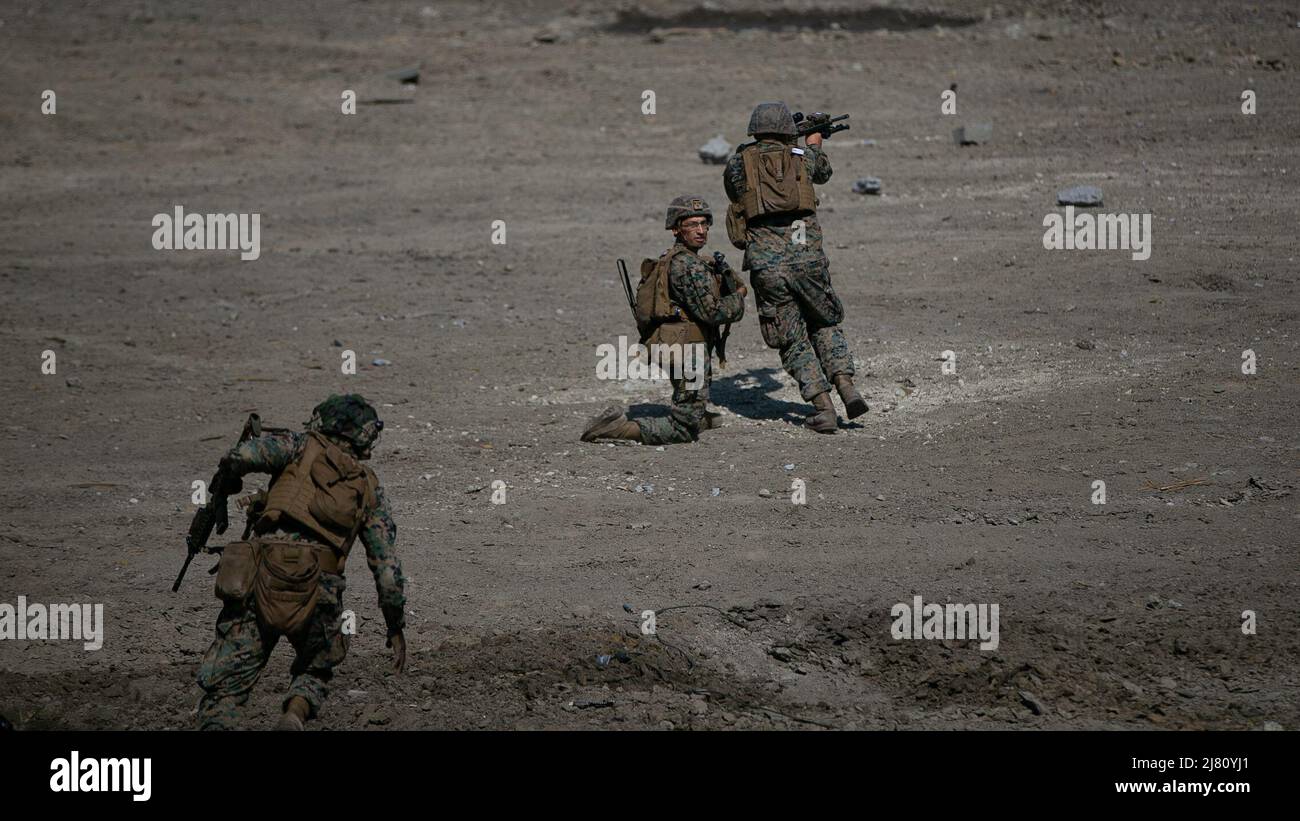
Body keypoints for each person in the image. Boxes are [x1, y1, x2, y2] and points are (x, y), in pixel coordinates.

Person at [196, 394, 406, 730]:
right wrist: (395, 626)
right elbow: (387, 569)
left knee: (227, 686)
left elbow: (242, 455)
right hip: (318, 587)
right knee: (315, 667)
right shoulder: (368, 488)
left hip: (260, 576)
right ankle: (294, 713)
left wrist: (228, 483)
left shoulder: (296, 446)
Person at [723, 101, 867, 433]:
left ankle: (823, 408)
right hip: (808, 259)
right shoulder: (802, 157)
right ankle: (846, 385)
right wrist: (812, 142)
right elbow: (824, 172)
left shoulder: (738, 163)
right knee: (824, 323)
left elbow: (734, 188)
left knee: (791, 338)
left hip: (766, 266)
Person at [582, 196, 746, 445]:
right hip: (688, 350)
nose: (701, 231)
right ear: (676, 229)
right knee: (683, 431)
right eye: (692, 225)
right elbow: (713, 313)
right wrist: (739, 297)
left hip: (677, 345)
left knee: (694, 403)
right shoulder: (688, 266)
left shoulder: (678, 259)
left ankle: (694, 412)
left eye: (704, 224)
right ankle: (614, 429)